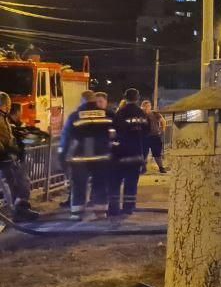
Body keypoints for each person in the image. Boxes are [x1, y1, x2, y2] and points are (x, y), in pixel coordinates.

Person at [59, 89, 114, 220]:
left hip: (80, 157)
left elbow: (66, 138)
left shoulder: (75, 116)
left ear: (82, 101)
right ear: (94, 100)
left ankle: (76, 213)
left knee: (79, 184)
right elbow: (114, 134)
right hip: (101, 156)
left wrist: (62, 156)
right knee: (100, 184)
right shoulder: (107, 114)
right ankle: (100, 212)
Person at [0, 92, 38, 222]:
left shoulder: (4, 118)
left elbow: (8, 137)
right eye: (8, 104)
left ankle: (21, 210)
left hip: (9, 157)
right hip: (4, 158)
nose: (9, 107)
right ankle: (18, 212)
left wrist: (15, 148)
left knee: (19, 183)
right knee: (13, 185)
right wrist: (6, 151)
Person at [111, 88, 150, 216]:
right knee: (131, 183)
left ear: (125, 98)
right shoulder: (142, 114)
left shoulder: (120, 113)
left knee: (115, 182)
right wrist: (144, 156)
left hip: (121, 154)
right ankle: (128, 208)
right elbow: (146, 135)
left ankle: (114, 209)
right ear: (137, 98)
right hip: (137, 154)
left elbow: (113, 134)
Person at [141, 99, 166, 173]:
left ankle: (161, 168)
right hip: (144, 137)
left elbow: (163, 121)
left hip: (155, 136)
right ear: (142, 107)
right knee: (143, 153)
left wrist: (163, 130)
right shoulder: (140, 115)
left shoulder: (155, 113)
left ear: (150, 106)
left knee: (157, 153)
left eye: (148, 106)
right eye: (145, 106)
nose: (146, 108)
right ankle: (143, 168)